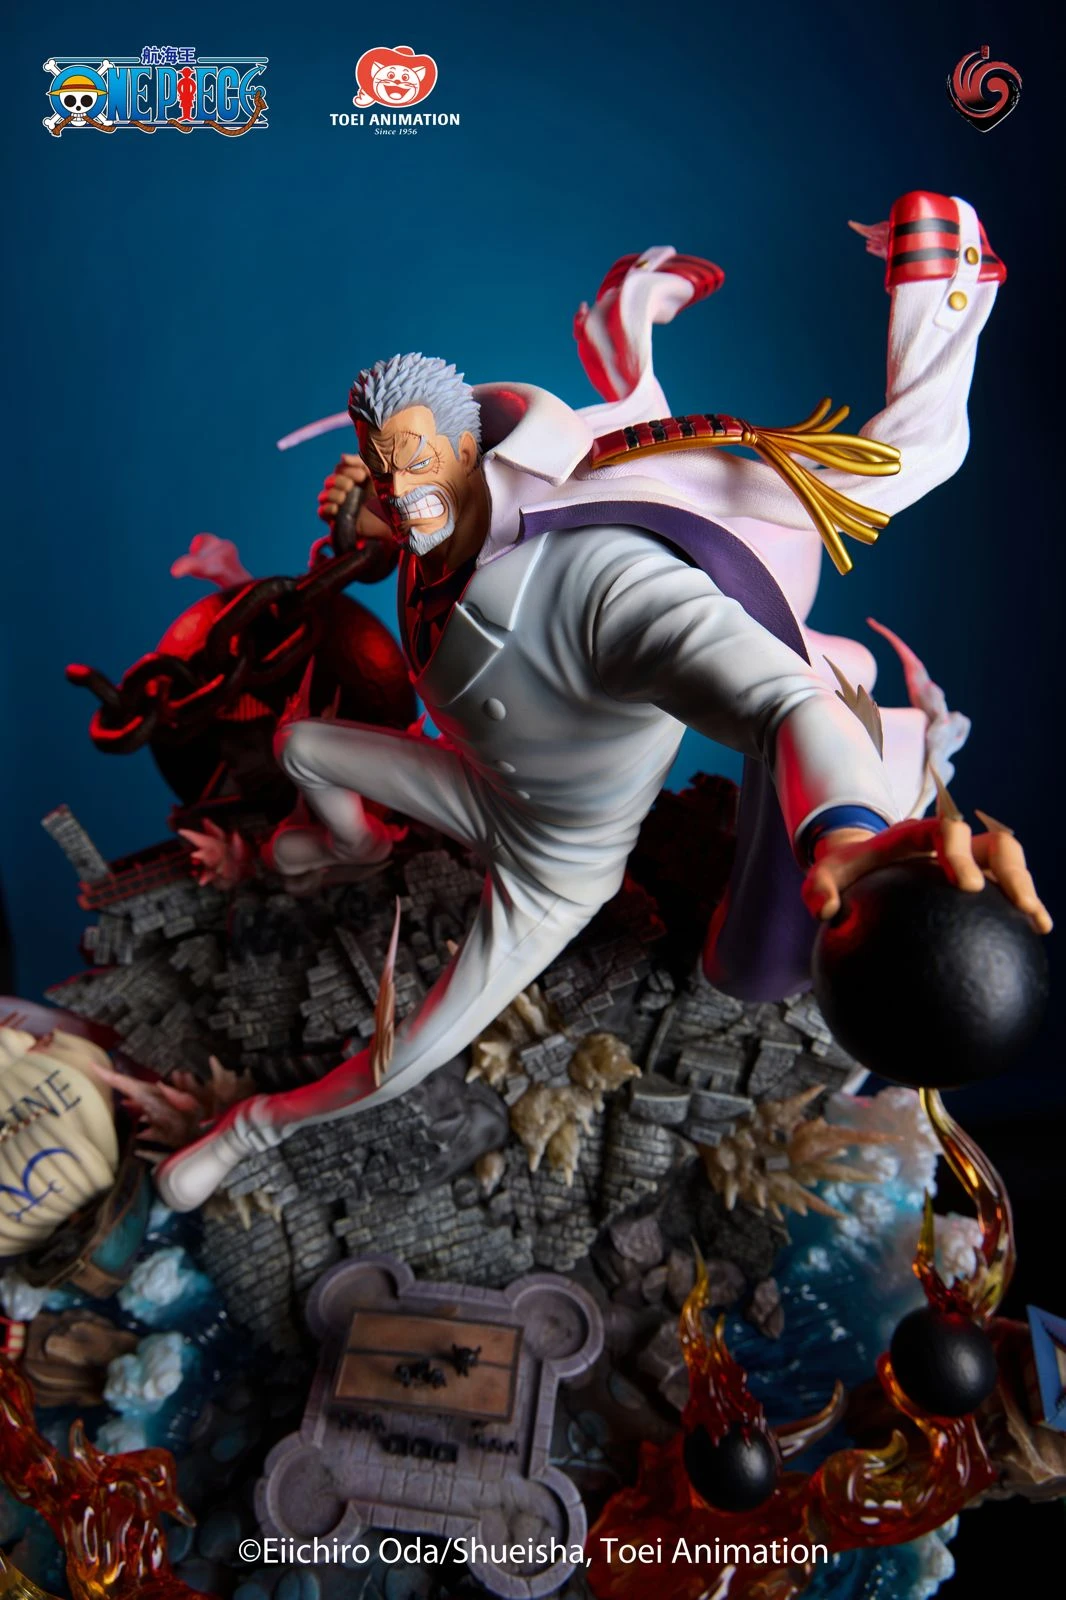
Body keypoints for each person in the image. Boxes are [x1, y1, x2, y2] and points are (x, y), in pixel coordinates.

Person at [156, 192, 1049, 1213]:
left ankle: (251, 1128)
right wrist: (358, 525)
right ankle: (356, 845)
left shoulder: (603, 586)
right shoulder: (429, 525)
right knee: (302, 745)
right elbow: (398, 537)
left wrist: (844, 834)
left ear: (469, 449)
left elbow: (784, 703)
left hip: (554, 860)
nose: (398, 493)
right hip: (479, 784)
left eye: (415, 468)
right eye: (382, 468)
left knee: (409, 1050)